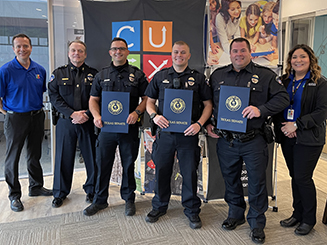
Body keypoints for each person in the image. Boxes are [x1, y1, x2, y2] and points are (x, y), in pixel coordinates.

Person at [206, 38, 289, 243]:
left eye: (243, 50)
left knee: (257, 182)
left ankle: (256, 223)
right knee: (231, 180)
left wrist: (260, 110)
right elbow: (209, 103)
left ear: (250, 52)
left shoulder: (265, 75)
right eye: (235, 51)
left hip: (254, 140)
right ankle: (235, 214)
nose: (238, 54)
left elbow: (283, 99)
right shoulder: (217, 75)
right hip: (227, 141)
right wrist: (208, 123)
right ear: (230, 53)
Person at [144, 41, 213, 229]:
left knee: (189, 173)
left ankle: (192, 210)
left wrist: (199, 124)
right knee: (162, 171)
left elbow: (208, 105)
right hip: (165, 134)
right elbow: (149, 101)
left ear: (189, 55)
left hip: (188, 134)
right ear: (171, 54)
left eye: (183, 52)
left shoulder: (198, 79)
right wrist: (154, 116)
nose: (179, 55)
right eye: (176, 52)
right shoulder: (160, 76)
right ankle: (159, 206)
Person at [84, 37, 148, 216]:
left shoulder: (138, 74)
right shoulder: (101, 75)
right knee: (103, 164)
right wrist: (96, 116)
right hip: (106, 129)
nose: (118, 52)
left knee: (128, 164)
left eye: (121, 49)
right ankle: (99, 200)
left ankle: (128, 199)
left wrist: (137, 112)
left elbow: (146, 99)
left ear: (127, 52)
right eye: (114, 49)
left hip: (129, 128)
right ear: (110, 52)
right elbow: (93, 100)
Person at [273, 44, 327, 235]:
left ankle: (308, 219)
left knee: (303, 178)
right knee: (295, 176)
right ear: (290, 62)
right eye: (294, 57)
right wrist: (284, 127)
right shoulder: (284, 81)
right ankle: (297, 214)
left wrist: (296, 125)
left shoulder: (320, 83)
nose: (298, 60)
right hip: (287, 136)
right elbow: (277, 106)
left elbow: (322, 112)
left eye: (302, 57)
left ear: (311, 59)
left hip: (309, 138)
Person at [0, 33, 52, 212]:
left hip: (37, 116)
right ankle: (14, 195)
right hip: (15, 118)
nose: (22, 49)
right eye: (18, 46)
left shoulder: (39, 70)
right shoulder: (5, 70)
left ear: (31, 47)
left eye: (25, 46)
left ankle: (36, 187)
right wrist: (6, 112)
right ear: (14, 49)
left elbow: (41, 92)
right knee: (12, 158)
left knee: (34, 154)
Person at [48, 40, 98, 208]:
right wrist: (72, 114)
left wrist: (86, 114)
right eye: (73, 50)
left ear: (85, 54)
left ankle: (91, 190)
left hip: (87, 121)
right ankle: (60, 193)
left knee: (91, 157)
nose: (77, 53)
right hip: (65, 122)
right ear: (69, 53)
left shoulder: (94, 74)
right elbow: (54, 96)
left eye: (80, 51)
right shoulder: (58, 73)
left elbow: (99, 98)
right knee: (63, 156)